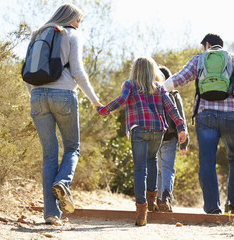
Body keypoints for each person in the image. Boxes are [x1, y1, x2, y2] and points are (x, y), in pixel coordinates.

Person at [163, 33, 234, 215]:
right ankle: (232, 204)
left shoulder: (198, 60)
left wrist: (157, 89)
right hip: (231, 116)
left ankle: (212, 208)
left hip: (205, 117)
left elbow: (178, 79)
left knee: (207, 162)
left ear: (206, 45)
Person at [25, 3, 102, 225]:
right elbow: (77, 70)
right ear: (69, 18)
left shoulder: (37, 34)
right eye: (78, 20)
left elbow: (28, 71)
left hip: (37, 97)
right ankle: (62, 183)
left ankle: (51, 215)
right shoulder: (72, 34)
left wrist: (35, 95)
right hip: (64, 95)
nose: (79, 24)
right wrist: (94, 100)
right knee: (72, 148)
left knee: (49, 155)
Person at [97, 57, 186, 226]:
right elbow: (171, 107)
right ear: (153, 71)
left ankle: (141, 211)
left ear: (135, 70)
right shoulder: (159, 87)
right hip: (158, 130)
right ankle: (152, 201)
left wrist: (104, 110)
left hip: (139, 129)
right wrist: (181, 128)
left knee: (140, 168)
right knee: (152, 160)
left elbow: (121, 100)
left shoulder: (129, 85)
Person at [156, 66, 189, 212]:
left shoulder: (151, 92)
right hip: (170, 136)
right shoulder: (173, 94)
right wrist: (184, 143)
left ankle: (156, 199)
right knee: (167, 168)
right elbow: (181, 117)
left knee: (157, 170)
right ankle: (166, 196)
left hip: (154, 136)